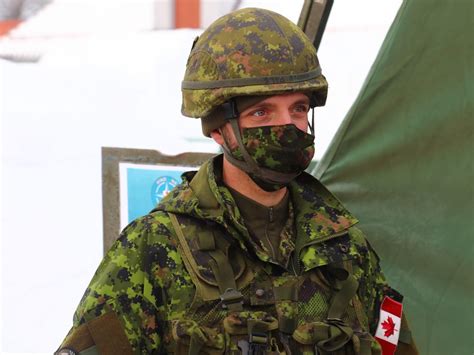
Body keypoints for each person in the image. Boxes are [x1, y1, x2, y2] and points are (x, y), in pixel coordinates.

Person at [56, 8, 418, 355]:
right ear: (218, 128)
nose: (288, 127)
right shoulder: (153, 249)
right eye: (261, 112)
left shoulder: (346, 248)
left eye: (298, 109)